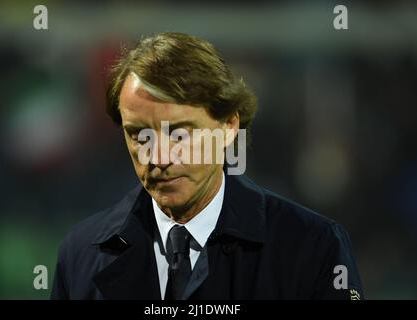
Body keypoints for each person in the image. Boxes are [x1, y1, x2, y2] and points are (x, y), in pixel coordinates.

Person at [51, 32, 364, 300]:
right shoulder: (80, 255)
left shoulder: (313, 248)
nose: (159, 157)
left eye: (179, 134)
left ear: (229, 126)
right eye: (138, 135)